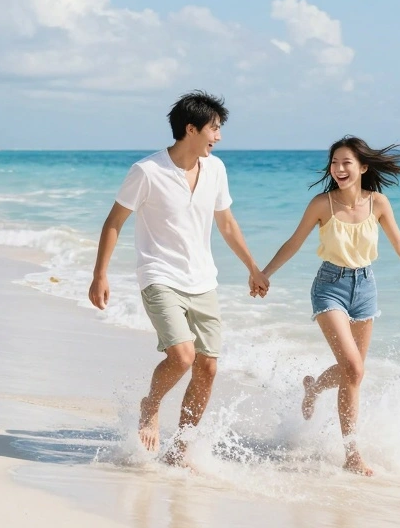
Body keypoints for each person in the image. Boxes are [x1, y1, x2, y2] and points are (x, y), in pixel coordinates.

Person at [254, 136, 400, 476]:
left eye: (346, 162)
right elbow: (294, 242)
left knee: (353, 371)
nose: (339, 168)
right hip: (329, 287)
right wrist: (264, 273)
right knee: (354, 369)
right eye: (334, 162)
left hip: (365, 288)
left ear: (362, 167)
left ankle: (314, 387)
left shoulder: (378, 203)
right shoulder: (322, 204)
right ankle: (352, 454)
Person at [89, 91, 269, 467]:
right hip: (159, 276)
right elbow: (114, 222)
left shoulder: (216, 170)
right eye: (214, 129)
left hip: (203, 280)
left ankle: (181, 447)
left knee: (208, 367)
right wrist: (99, 274)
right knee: (183, 356)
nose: (218, 137)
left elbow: (227, 223)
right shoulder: (147, 171)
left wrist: (254, 267)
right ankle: (150, 405)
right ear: (191, 129)